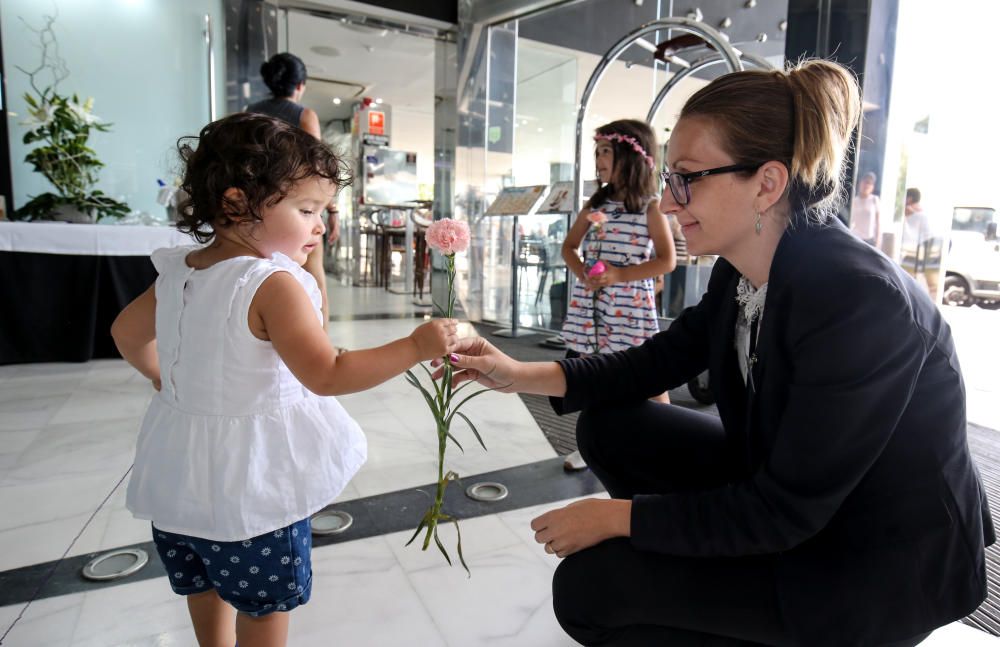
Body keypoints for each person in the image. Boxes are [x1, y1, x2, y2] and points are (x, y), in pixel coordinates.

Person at [440, 60, 993, 646]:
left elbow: (786, 509)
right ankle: (717, 577)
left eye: (686, 177)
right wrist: (513, 372)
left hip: (876, 555)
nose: (670, 201)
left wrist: (619, 521)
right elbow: (653, 361)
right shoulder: (742, 270)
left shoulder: (859, 301)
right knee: (610, 426)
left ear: (768, 183)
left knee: (589, 590)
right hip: (797, 498)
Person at [111, 113, 457, 647]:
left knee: (201, 587)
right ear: (235, 204)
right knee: (263, 608)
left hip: (176, 478)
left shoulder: (181, 270)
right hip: (251, 489)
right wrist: (415, 346)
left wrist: (164, 381)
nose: (321, 226)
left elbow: (126, 333)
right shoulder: (270, 283)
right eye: (308, 210)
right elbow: (328, 372)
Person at [559, 120, 676, 470]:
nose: (598, 159)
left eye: (605, 151)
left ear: (631, 154)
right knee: (594, 371)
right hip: (593, 305)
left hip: (631, 306)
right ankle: (594, 444)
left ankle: (670, 438)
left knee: (648, 376)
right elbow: (569, 247)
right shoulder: (595, 204)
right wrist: (582, 271)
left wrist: (620, 274)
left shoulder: (651, 208)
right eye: (596, 152)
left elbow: (667, 261)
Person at [247, 52, 339, 328]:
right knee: (313, 273)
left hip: (256, 208)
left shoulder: (248, 114)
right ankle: (320, 342)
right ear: (300, 86)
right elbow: (318, 170)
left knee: (256, 274)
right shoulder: (304, 115)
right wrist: (330, 210)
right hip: (297, 208)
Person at [849, 171, 881, 246]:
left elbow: (878, 223)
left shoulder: (875, 200)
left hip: (869, 240)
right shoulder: (854, 201)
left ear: (872, 187)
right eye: (865, 182)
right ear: (860, 183)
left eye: (869, 183)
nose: (866, 185)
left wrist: (878, 241)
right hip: (855, 239)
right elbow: (851, 221)